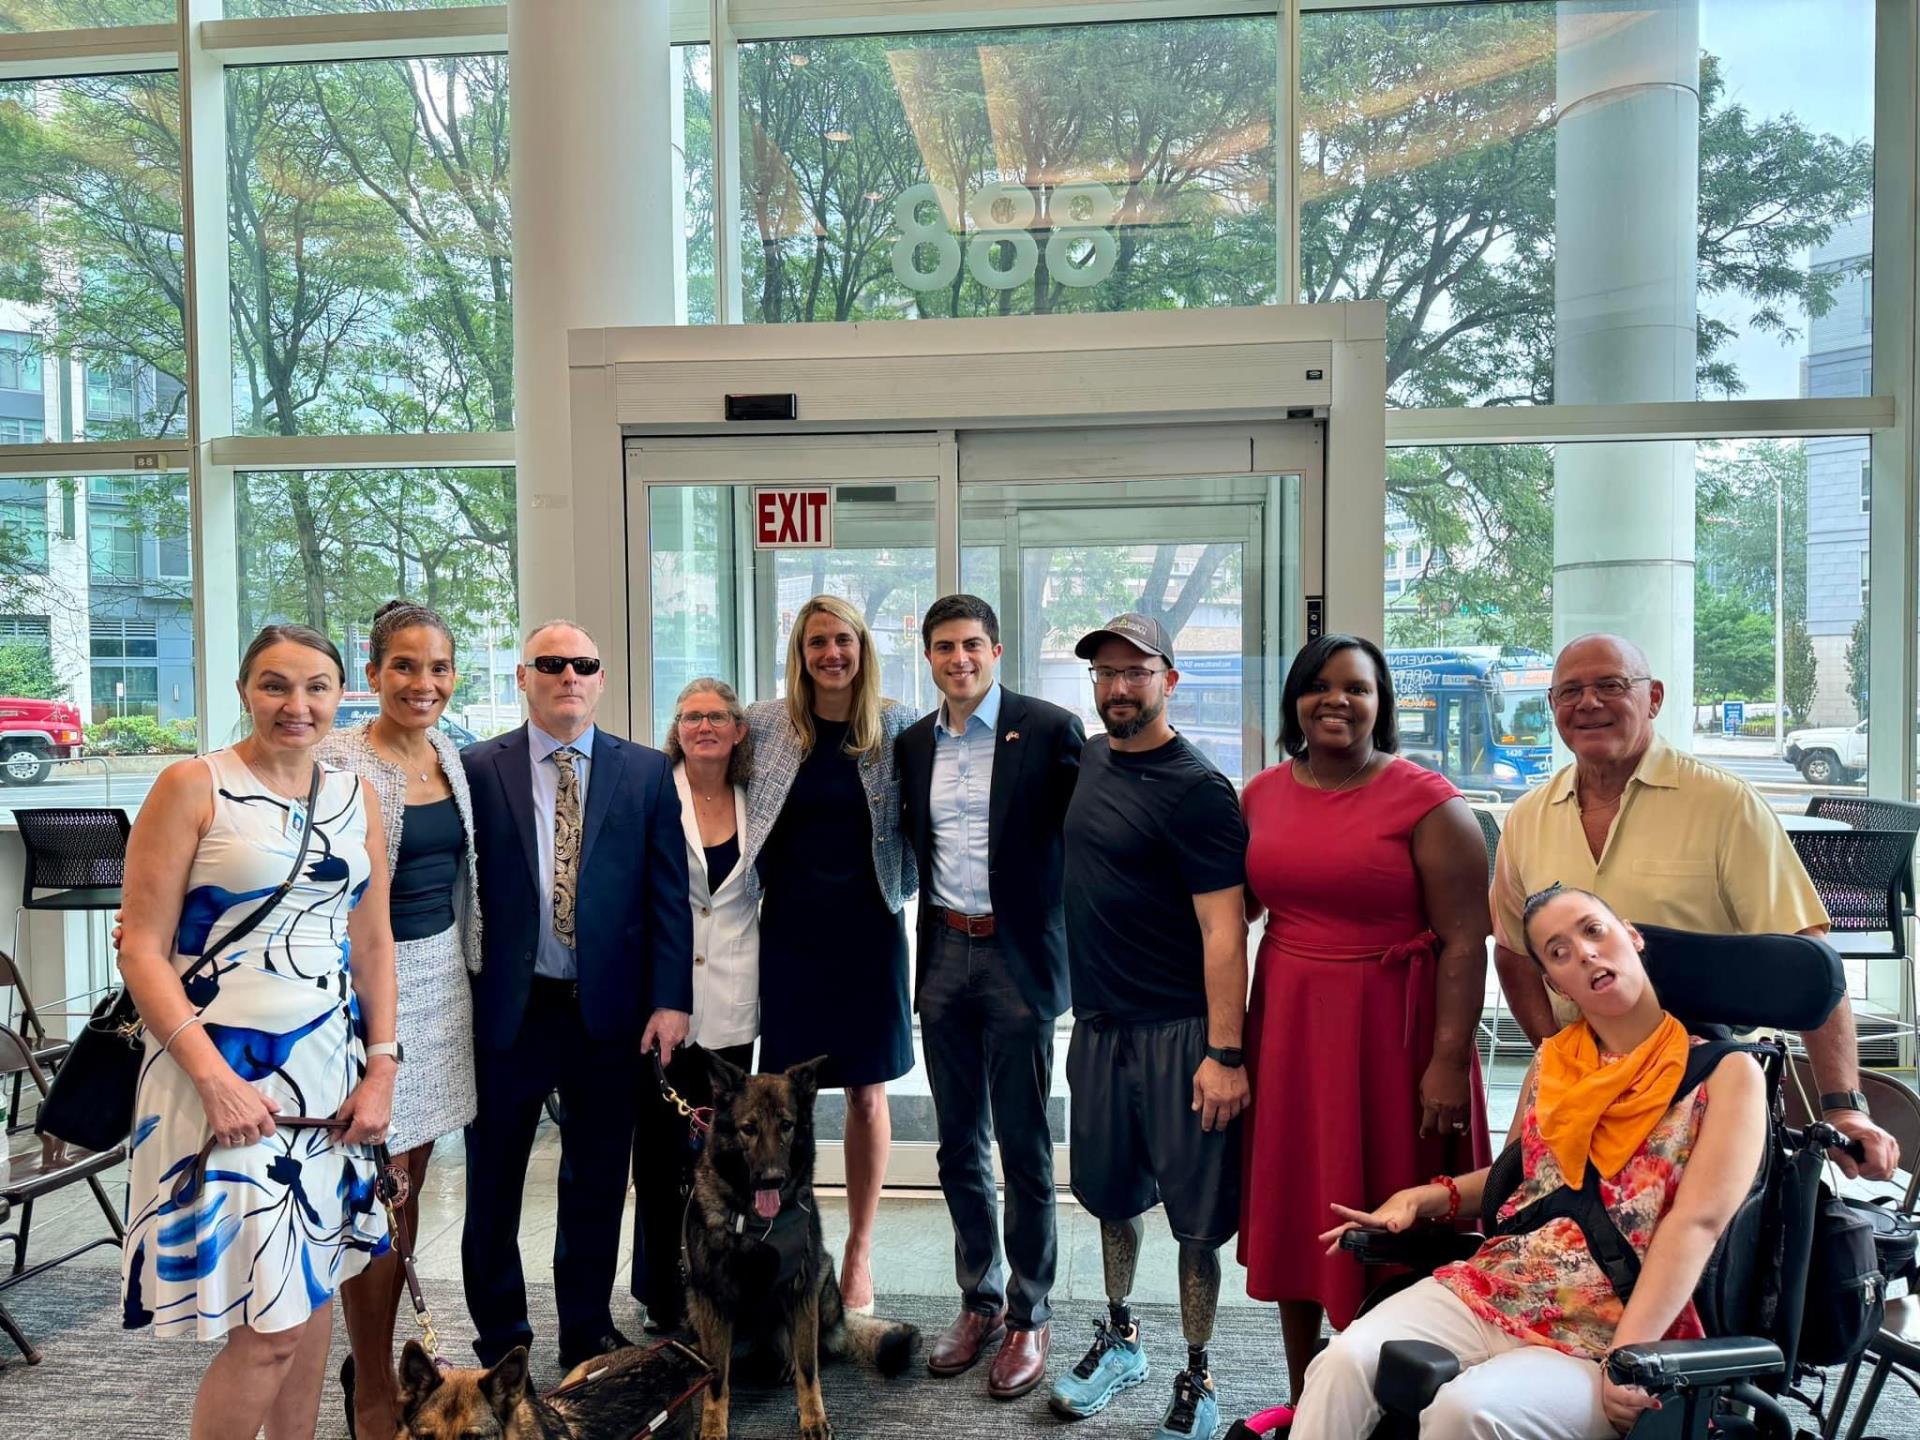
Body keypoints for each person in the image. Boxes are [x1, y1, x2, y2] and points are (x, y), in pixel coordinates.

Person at [1289, 885, 1769, 1440]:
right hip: (1499, 1281)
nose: (1585, 953)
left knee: (1467, 1412)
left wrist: (1627, 1359)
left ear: (1631, 936)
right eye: (1559, 952)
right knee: (1341, 1364)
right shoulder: (1555, 1061)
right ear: (1554, 984)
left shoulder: (1726, 1075)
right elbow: (1519, 1178)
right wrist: (1424, 1198)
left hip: (1611, 1319)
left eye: (1594, 931)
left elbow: (1697, 1224)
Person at [117, 625, 398, 1440]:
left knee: (307, 1303)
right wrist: (213, 1079)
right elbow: (141, 946)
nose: (297, 705)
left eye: (316, 686)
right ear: (245, 690)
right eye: (275, 685)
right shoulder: (192, 785)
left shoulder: (355, 796)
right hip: (217, 1076)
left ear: (342, 694)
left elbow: (372, 944)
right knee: (267, 1332)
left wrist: (380, 1070)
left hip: (328, 1081)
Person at [1490, 632, 1900, 1181]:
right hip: (1579, 1088)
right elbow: (1516, 954)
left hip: (1702, 1087)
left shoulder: (1724, 805)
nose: (1587, 703)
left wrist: (1843, 1104)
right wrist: (1556, 1055)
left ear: (1654, 698)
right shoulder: (1527, 816)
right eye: (1569, 692)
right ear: (1553, 709)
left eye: (1610, 685)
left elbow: (1807, 959)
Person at [1239, 634, 1493, 1399]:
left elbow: (1464, 942)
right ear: (1294, 701)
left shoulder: (1428, 801)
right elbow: (1228, 911)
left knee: (1397, 1211)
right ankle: (1302, 1394)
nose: (1336, 701)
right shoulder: (1259, 795)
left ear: (1381, 705)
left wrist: (1448, 1061)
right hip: (1289, 1023)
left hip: (1397, 1036)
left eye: (1356, 688)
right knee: (1297, 1204)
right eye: (1318, 686)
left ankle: (1397, 1395)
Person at [460, 620, 693, 1369]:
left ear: (599, 679)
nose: (568, 675)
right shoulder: (475, 768)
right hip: (510, 1011)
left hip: (609, 1016)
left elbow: (667, 896)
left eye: (583, 664)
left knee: (595, 1181)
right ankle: (503, 1339)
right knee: (494, 1183)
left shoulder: (648, 772)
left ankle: (586, 1330)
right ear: (523, 677)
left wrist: (670, 1000)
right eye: (551, 663)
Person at [1048, 613, 1250, 1440]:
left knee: (1196, 1219)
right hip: (1099, 1030)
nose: (1118, 687)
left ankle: (1199, 1376)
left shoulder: (1199, 791)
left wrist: (1225, 1054)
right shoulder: (1089, 759)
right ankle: (1122, 1335)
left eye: (1137, 672)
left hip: (1181, 1036)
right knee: (1110, 1195)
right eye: (1105, 673)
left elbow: (1226, 931)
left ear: (1171, 679)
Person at [897, 595, 1084, 1398]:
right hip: (943, 954)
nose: (959, 659)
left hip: (1018, 961)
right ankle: (978, 1300)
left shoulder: (1046, 729)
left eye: (972, 645)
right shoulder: (911, 744)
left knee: (1023, 1144)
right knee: (956, 1144)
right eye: (944, 647)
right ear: (928, 656)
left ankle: (1029, 1313)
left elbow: (1087, 840)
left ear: (997, 651)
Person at [318, 599, 482, 1438]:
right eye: (406, 667)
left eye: (439, 668)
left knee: (404, 1188)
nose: (424, 683)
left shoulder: (448, 753)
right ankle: (375, 1390)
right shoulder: (336, 755)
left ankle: (375, 1356)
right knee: (367, 1192)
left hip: (440, 981)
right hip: (359, 991)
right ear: (374, 671)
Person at [744, 593, 917, 1313]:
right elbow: (693, 764)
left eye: (842, 640)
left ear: (862, 646)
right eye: (817, 642)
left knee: (866, 1096)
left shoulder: (898, 726)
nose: (831, 655)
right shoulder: (765, 725)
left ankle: (859, 1251)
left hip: (868, 932)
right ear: (801, 652)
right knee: (783, 1103)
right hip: (787, 935)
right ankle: (792, 1244)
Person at [630, 676, 759, 1334]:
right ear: (676, 731)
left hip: (736, 998)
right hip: (665, 999)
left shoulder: (757, 799)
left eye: (716, 716)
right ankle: (659, 1289)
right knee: (657, 1156)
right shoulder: (654, 790)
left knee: (719, 1159)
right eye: (689, 717)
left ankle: (716, 1284)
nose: (703, 726)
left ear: (739, 730)